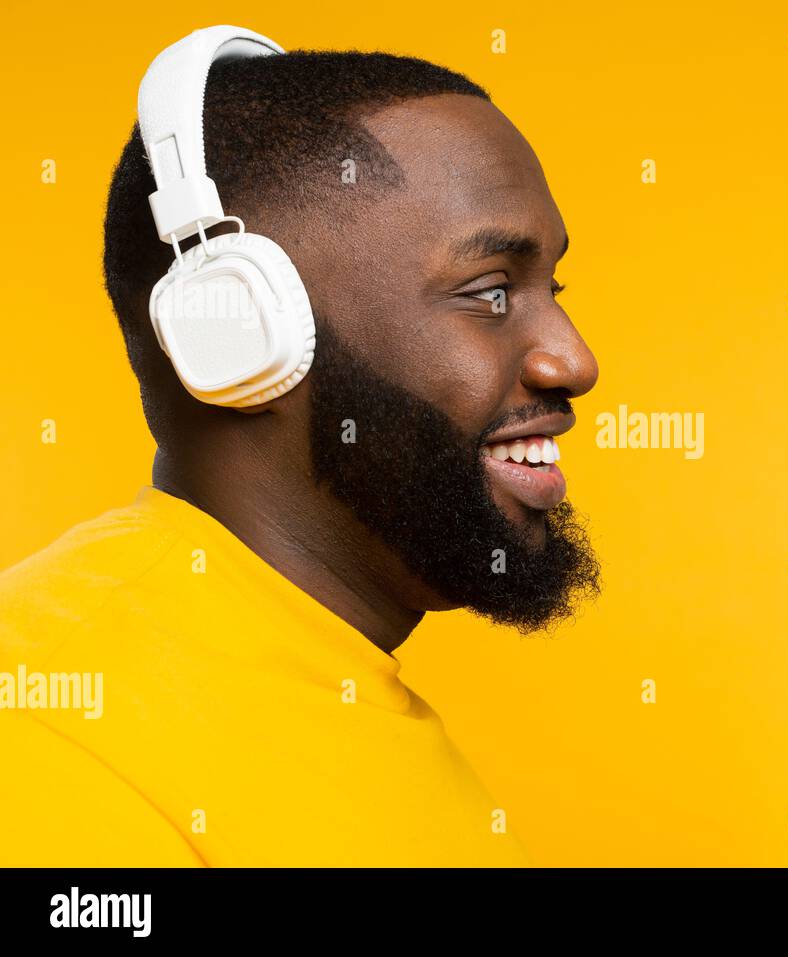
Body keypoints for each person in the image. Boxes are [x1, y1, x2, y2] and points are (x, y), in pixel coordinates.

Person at [0, 27, 600, 866]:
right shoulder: (47, 735)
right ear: (241, 334)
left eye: (552, 288)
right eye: (491, 292)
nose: (574, 361)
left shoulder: (361, 697)